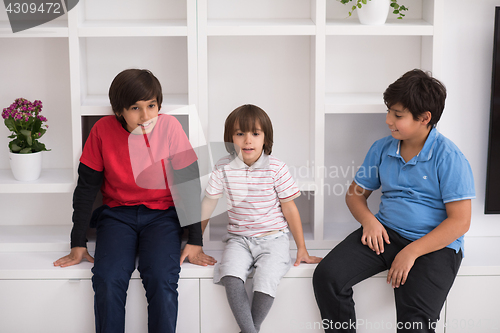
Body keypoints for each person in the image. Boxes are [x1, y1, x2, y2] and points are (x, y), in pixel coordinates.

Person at [53, 69, 216, 333]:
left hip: (162, 217)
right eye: (135, 108)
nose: (146, 116)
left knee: (162, 277)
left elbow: (188, 186)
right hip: (117, 216)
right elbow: (85, 189)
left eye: (151, 106)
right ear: (119, 111)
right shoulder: (102, 131)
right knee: (107, 278)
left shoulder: (170, 127)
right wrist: (78, 242)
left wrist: (196, 240)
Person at [313, 69, 475, 333]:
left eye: (397, 115)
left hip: (434, 245)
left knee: (414, 324)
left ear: (425, 118)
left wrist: (410, 252)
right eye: (389, 111)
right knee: (328, 276)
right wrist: (369, 222)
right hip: (386, 233)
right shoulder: (381, 148)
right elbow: (355, 193)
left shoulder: (450, 157)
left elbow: (460, 222)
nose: (388, 120)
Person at [202, 104, 322, 333]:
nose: (248, 140)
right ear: (230, 139)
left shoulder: (276, 168)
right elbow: (208, 204)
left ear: (265, 138)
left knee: (266, 278)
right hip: (238, 238)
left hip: (273, 238)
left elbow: (290, 209)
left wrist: (302, 248)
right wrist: (195, 243)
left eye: (255, 134)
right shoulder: (223, 167)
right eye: (240, 134)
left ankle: (250, 329)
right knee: (230, 274)